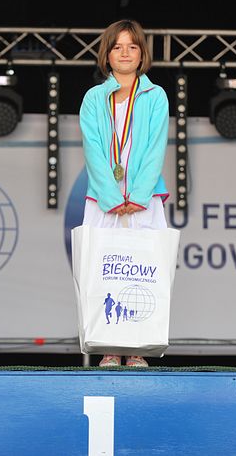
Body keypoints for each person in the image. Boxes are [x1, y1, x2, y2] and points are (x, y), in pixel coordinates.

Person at [79, 19, 169, 368]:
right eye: (117, 47)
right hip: (104, 201)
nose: (125, 53)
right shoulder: (93, 98)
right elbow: (93, 149)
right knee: (104, 270)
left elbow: (156, 148)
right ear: (107, 55)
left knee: (143, 270)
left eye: (132, 46)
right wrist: (111, 197)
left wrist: (140, 195)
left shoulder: (155, 96)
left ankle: (137, 348)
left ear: (142, 53)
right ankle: (109, 347)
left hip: (144, 201)